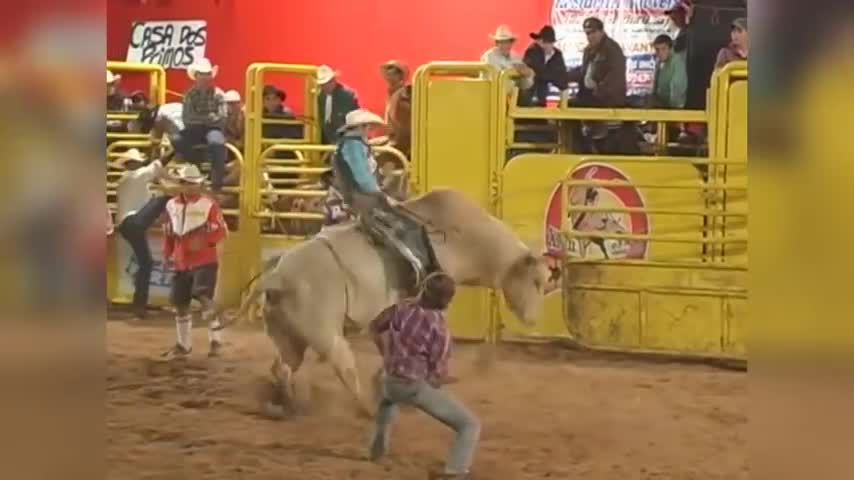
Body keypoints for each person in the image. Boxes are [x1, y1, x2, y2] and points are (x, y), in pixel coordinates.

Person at [368, 273, 480, 479]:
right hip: (412, 386)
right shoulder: (439, 327)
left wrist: (386, 353)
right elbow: (436, 375)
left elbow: (375, 326)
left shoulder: (402, 307)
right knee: (469, 425)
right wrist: (445, 380)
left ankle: (376, 451)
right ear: (447, 300)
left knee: (387, 402)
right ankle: (455, 472)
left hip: (389, 380)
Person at [332, 109, 426, 281]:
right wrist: (380, 194)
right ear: (361, 127)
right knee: (401, 224)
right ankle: (411, 267)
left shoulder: (352, 145)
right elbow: (362, 177)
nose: (371, 131)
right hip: (361, 198)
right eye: (369, 127)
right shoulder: (353, 146)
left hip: (358, 195)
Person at [161, 164, 228, 358]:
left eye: (192, 183)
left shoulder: (208, 205)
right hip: (183, 259)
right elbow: (169, 232)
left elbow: (220, 230)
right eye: (186, 183)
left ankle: (215, 341)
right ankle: (185, 344)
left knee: (202, 296)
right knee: (181, 303)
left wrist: (206, 241)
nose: (190, 187)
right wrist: (167, 253)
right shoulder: (171, 205)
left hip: (203, 259)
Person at [113, 148, 177, 320]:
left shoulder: (129, 180)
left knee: (146, 264)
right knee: (164, 199)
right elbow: (159, 163)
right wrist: (176, 148)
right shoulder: (135, 176)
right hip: (133, 222)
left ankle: (139, 305)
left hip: (128, 225)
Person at [566, 17, 627, 139]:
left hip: (607, 99)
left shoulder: (612, 49)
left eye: (593, 32)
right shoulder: (588, 51)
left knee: (573, 108)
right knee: (566, 109)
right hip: (590, 97)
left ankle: (585, 144)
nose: (590, 36)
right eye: (587, 33)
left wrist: (599, 90)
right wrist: (564, 76)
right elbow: (583, 72)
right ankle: (577, 145)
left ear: (601, 31)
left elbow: (616, 77)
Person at [174, 58, 228, 193]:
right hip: (197, 129)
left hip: (210, 129)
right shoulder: (190, 95)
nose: (205, 78)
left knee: (216, 143)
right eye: (202, 74)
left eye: (207, 74)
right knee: (176, 139)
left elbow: (222, 119)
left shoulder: (219, 94)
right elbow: (187, 119)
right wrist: (208, 118)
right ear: (196, 77)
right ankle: (196, 167)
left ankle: (216, 183)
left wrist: (200, 119)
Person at [480, 25, 534, 98]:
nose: (505, 45)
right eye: (501, 42)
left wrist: (527, 75)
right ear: (496, 43)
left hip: (510, 98)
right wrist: (515, 75)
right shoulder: (489, 57)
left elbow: (526, 85)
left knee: (528, 97)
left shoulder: (515, 57)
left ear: (512, 43)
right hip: (491, 98)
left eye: (507, 42)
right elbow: (496, 83)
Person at [523, 25, 569, 106]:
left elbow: (562, 75)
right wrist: (554, 75)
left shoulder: (557, 55)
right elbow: (537, 71)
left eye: (548, 42)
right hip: (528, 93)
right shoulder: (532, 51)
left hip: (541, 94)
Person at [316, 65, 360, 144]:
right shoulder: (319, 95)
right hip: (323, 138)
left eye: (328, 83)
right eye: (322, 85)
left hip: (343, 139)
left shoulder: (348, 95)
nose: (325, 87)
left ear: (334, 81)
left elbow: (355, 119)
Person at [380, 60, 413, 158]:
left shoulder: (405, 96)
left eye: (393, 72)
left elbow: (405, 127)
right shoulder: (392, 94)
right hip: (393, 139)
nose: (388, 75)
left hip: (402, 145)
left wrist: (394, 144)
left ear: (400, 76)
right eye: (387, 72)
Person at [652, 34, 688, 109]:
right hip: (661, 106)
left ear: (670, 49)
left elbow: (677, 87)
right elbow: (655, 85)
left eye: (663, 49)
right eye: (657, 49)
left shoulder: (677, 62)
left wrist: (673, 111)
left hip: (674, 109)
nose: (660, 53)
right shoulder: (659, 62)